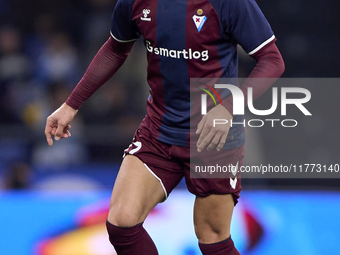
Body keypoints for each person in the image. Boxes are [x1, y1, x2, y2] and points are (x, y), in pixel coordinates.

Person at [44, 0, 284, 254]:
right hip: (159, 129)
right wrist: (72, 104)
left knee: (213, 240)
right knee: (121, 224)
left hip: (214, 137)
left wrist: (227, 108)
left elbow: (271, 60)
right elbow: (116, 49)